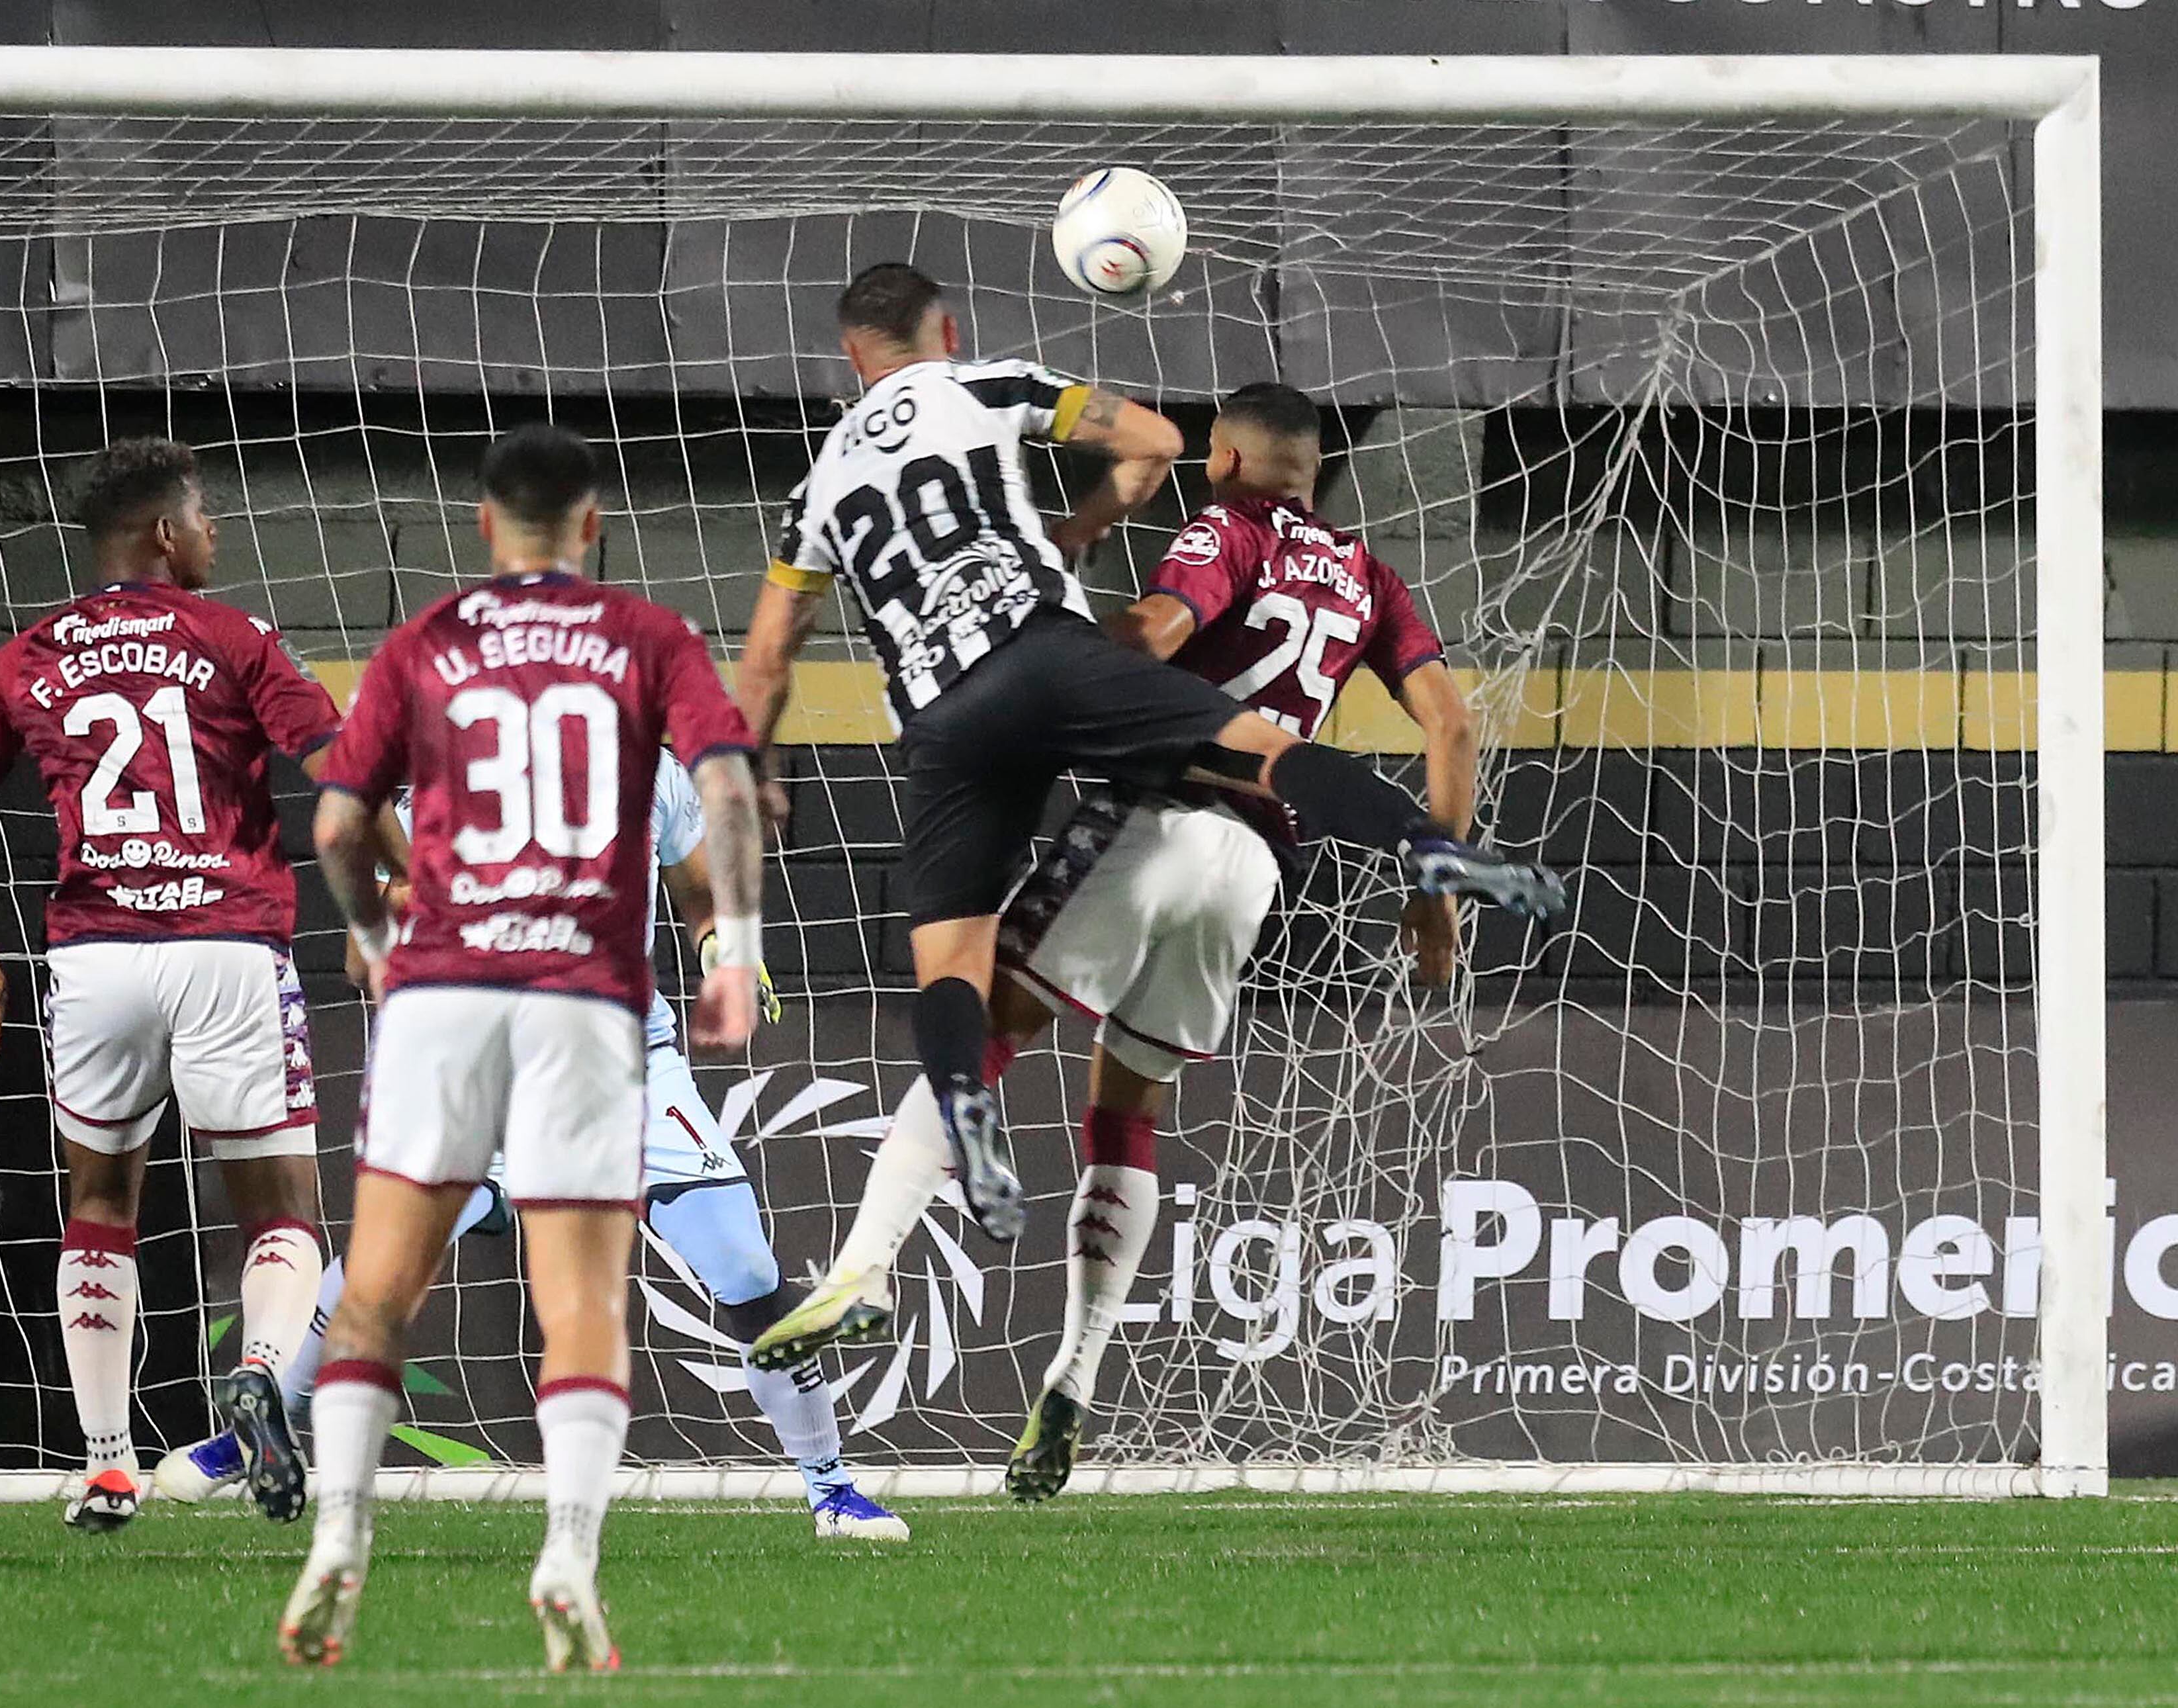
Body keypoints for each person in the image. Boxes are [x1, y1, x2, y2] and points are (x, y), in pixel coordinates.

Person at [732, 263, 1562, 1371]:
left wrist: (755, 770)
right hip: (1206, 820)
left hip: (951, 720)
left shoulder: (820, 486)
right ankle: (1430, 848)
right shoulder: (1365, 569)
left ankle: (876, 1255)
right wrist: (1079, 531)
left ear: (851, 358)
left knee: (959, 985)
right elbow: (1157, 444)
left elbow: (766, 659)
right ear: (950, 328)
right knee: (1265, 762)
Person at [280, 422, 764, 1675]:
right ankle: (566, 1553)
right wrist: (739, 952)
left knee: (380, 1287)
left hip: (441, 990)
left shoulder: (425, 641)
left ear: (487, 528)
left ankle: (338, 1532)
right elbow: (726, 787)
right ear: (591, 524)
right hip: (582, 999)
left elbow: (338, 818)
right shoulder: (648, 639)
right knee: (585, 1300)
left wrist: (377, 935)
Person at [158, 748, 906, 1541]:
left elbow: (698, 896)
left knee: (749, 1269)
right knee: (384, 1268)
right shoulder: (451, 775)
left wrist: (722, 948)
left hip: (629, 1066)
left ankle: (832, 1492)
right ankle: (248, 1435)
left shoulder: (647, 767)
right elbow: (357, 958)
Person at [988, 381, 1477, 1497]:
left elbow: (1157, 632)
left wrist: (1050, 663)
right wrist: (1435, 880)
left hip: (1156, 815)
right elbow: (1450, 722)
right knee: (1129, 1105)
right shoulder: (1369, 576)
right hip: (1255, 866)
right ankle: (1076, 1372)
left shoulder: (1225, 528)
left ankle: (862, 1273)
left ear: (1225, 459)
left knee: (985, 1021)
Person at [0, 436, 381, 1532]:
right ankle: (264, 1370)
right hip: (228, 950)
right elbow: (347, 775)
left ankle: (109, 1463)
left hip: (94, 961)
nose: (217, 533)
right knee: (279, 1210)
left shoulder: (24, 658)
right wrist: (382, 910)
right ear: (168, 535)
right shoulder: (235, 638)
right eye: (209, 516)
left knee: (101, 1204)